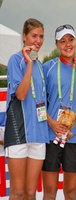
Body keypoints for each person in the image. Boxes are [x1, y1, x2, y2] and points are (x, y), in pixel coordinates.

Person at [42, 24, 76, 200]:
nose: (67, 44)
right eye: (62, 41)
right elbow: (39, 104)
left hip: (73, 136)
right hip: (50, 135)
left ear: (75, 41)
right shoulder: (47, 68)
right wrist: (51, 123)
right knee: (49, 192)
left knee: (71, 193)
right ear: (56, 44)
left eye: (71, 40)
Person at [4, 18, 49, 199]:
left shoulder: (41, 65)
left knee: (31, 193)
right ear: (24, 37)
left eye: (41, 36)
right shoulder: (15, 60)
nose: (37, 40)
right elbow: (21, 95)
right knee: (18, 192)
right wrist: (29, 63)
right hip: (18, 133)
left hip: (38, 133)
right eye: (34, 36)